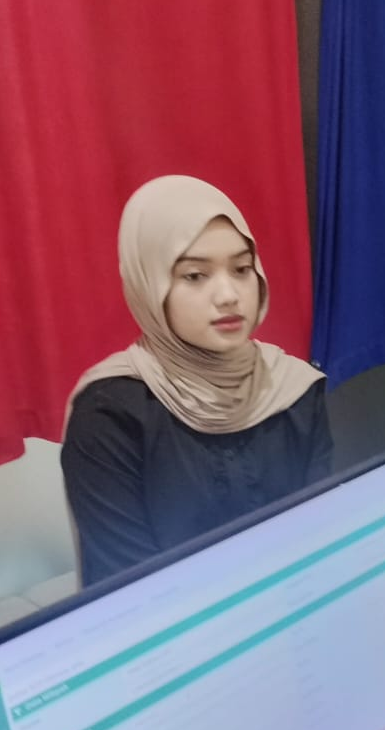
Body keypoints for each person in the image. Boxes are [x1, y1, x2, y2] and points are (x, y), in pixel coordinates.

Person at [62, 175, 331, 586]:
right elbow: (131, 584)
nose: (229, 295)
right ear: (149, 285)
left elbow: (319, 537)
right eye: (194, 276)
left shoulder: (295, 389)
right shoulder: (110, 415)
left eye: (241, 269)